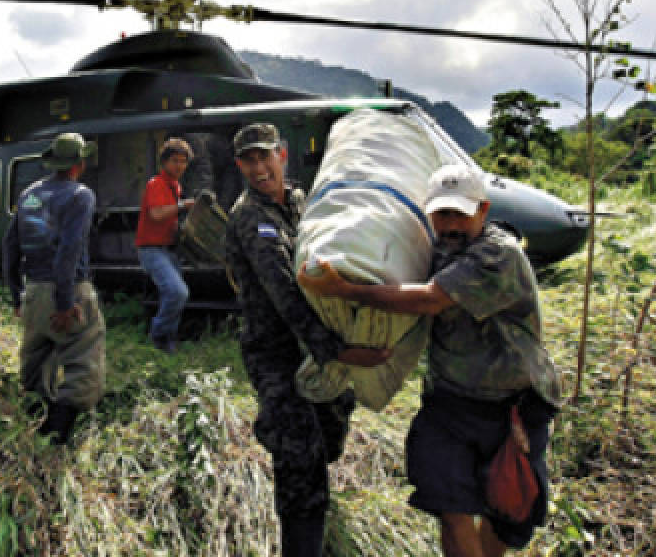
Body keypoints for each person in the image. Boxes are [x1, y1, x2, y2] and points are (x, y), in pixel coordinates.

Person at [298, 163, 563, 557]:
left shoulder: (497, 255)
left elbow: (429, 300)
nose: (451, 224)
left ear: (484, 210)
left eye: (461, 213)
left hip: (511, 407)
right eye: (442, 214)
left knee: (503, 510)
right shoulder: (438, 247)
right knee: (451, 507)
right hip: (450, 401)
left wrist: (345, 290)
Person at [225, 122, 391, 557]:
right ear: (240, 166)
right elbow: (284, 293)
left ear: (281, 155)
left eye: (265, 156)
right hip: (276, 353)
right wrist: (337, 350)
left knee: (331, 432)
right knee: (300, 459)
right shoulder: (250, 217)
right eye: (249, 160)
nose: (259, 168)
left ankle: (284, 437)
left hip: (317, 343)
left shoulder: (301, 201)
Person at [2, 132, 105, 445]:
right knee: (84, 360)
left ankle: (28, 433)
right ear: (79, 163)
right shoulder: (80, 195)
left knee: (34, 366)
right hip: (69, 289)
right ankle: (56, 437)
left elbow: (10, 245)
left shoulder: (30, 194)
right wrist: (64, 301)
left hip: (32, 292)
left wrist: (16, 295)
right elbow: (69, 250)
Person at [135, 137, 196, 353]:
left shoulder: (175, 186)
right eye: (175, 161)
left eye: (183, 161)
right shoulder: (156, 184)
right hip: (151, 249)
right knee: (177, 292)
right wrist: (182, 206)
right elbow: (157, 213)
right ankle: (159, 335)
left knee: (172, 294)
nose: (179, 166)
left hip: (168, 249)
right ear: (164, 162)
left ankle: (169, 339)